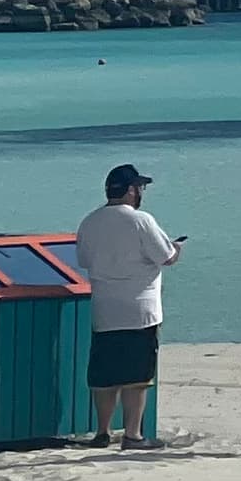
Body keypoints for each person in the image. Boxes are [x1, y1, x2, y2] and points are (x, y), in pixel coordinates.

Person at [74, 162, 183, 448]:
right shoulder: (141, 220)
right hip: (140, 310)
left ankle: (102, 431)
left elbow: (83, 260)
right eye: (140, 187)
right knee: (138, 377)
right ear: (132, 190)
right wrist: (177, 249)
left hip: (104, 309)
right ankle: (133, 434)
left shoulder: (89, 221)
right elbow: (166, 256)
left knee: (105, 376)